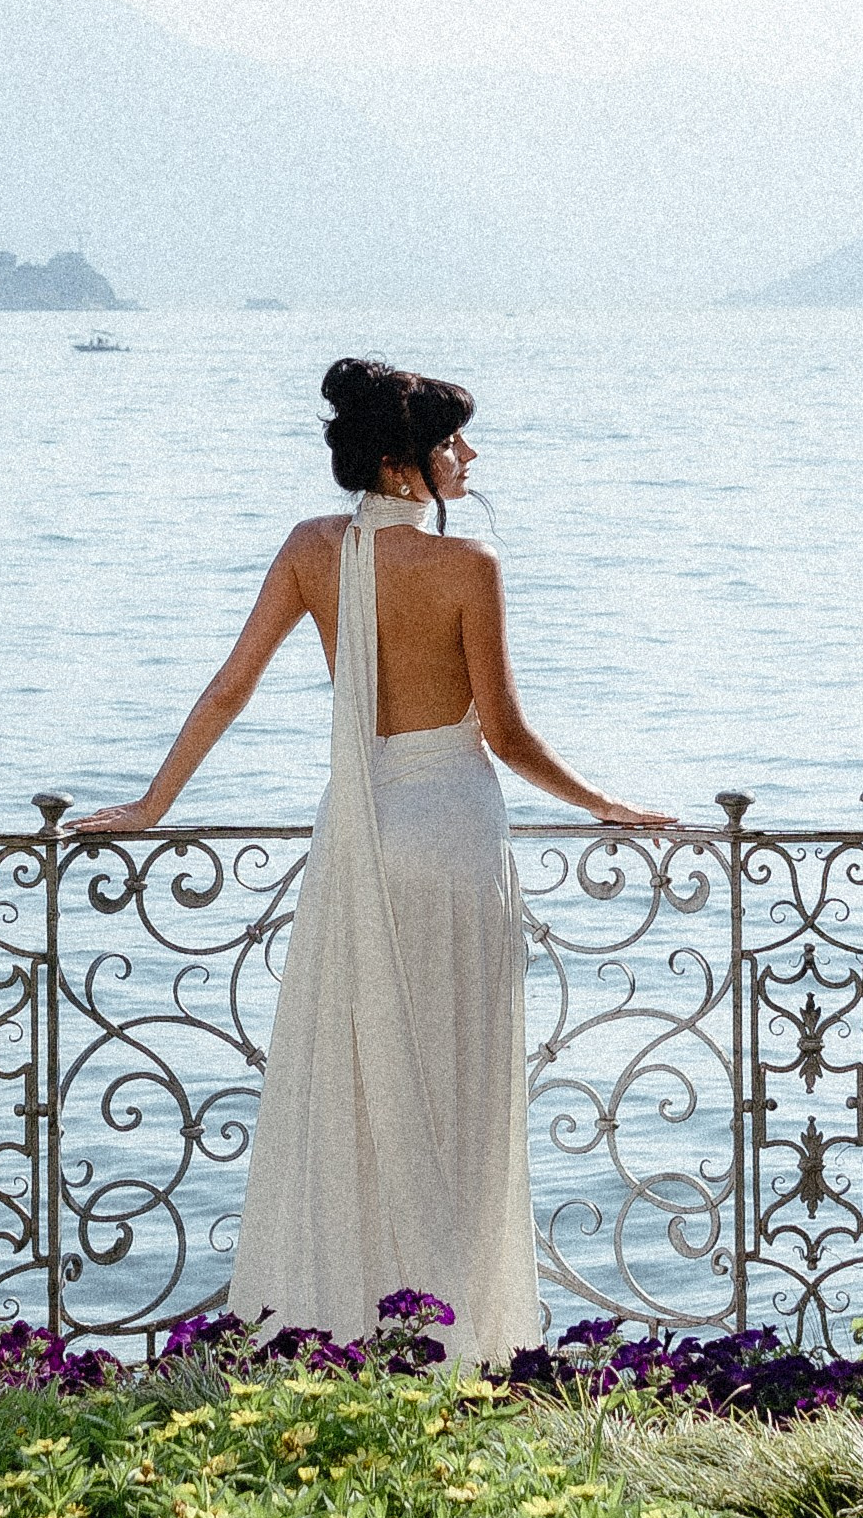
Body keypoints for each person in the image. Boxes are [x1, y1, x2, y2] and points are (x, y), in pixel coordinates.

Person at [73, 357, 673, 1366]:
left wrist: (150, 806)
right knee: (458, 1085)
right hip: (453, 835)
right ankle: (457, 1336)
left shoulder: (312, 550)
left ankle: (337, 1331)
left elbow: (229, 688)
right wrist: (604, 804)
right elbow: (507, 736)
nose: (469, 455)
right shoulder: (468, 566)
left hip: (362, 832)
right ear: (402, 465)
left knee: (352, 1088)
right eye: (450, 442)